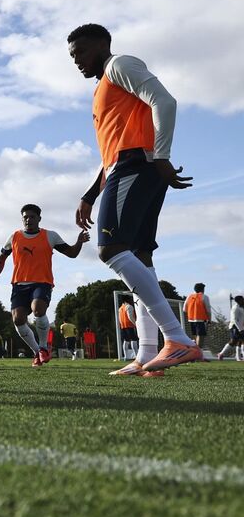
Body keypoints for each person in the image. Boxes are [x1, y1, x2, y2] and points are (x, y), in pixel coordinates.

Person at [68, 24, 199, 374]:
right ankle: (146, 354)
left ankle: (178, 340)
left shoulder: (119, 65)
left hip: (136, 164)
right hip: (128, 165)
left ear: (100, 44)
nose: (76, 60)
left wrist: (160, 156)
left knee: (110, 249)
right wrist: (89, 195)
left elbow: (165, 101)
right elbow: (109, 152)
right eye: (72, 56)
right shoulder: (103, 88)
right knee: (140, 258)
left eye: (80, 52)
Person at [0, 203, 89, 368]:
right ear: (22, 219)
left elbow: (71, 253)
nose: (28, 220)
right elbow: (2, 258)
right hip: (19, 285)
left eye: (32, 217)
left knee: (38, 310)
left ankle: (43, 347)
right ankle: (37, 352)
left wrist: (79, 242)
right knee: (18, 319)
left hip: (42, 282)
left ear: (39, 218)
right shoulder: (14, 237)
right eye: (25, 217)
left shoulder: (50, 236)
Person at [215, 295, 244, 361]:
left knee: (240, 341)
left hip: (241, 326)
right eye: (242, 299)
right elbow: (235, 320)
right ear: (239, 301)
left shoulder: (242, 306)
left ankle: (238, 357)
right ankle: (221, 353)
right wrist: (240, 329)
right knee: (233, 341)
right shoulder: (235, 308)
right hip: (235, 326)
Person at [182, 283, 210, 350]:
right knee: (201, 336)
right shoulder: (204, 296)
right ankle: (198, 352)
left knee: (195, 336)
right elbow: (208, 309)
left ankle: (194, 349)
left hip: (191, 319)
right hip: (201, 319)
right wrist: (209, 319)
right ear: (202, 289)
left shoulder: (189, 296)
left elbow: (184, 309)